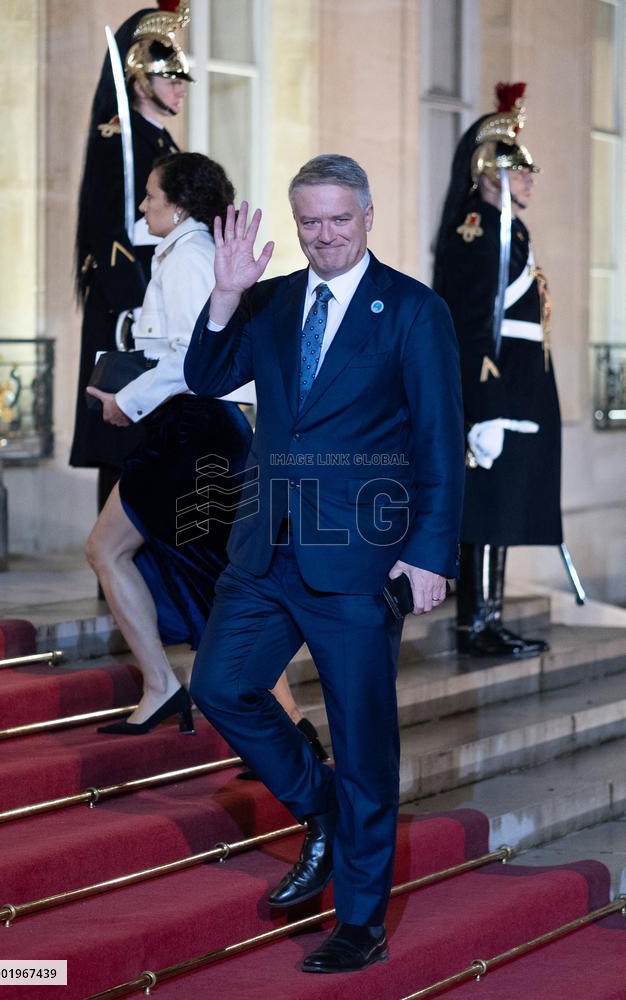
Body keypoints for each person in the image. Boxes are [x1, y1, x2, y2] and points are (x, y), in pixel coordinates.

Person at [185, 155, 464, 973]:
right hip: (264, 545)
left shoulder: (413, 311)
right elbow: (206, 376)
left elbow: (439, 438)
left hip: (360, 554)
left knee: (365, 740)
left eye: (339, 218)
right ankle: (321, 808)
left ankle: (361, 922)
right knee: (220, 686)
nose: (324, 234)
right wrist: (228, 291)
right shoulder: (271, 303)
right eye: (310, 221)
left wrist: (429, 551)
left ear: (369, 215)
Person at [86, 153, 328, 760]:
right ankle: (173, 689)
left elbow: (197, 361)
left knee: (206, 574)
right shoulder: (181, 252)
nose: (143, 207)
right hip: (187, 430)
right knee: (212, 573)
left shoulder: (190, 256)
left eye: (150, 196)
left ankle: (267, 721)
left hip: (193, 432)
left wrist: (127, 400)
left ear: (180, 203)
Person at [433, 82, 562, 659]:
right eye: (521, 169)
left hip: (516, 384)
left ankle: (490, 618)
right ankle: (475, 624)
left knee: (504, 504)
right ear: (490, 173)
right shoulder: (478, 225)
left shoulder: (508, 225)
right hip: (495, 385)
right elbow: (470, 319)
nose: (531, 177)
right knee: (487, 507)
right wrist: (484, 403)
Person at [70, 4, 191, 512]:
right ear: (140, 80)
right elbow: (108, 230)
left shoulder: (159, 138)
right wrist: (136, 299)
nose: (182, 87)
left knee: (149, 434)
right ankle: (110, 568)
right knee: (118, 438)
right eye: (171, 78)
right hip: (127, 300)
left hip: (153, 292)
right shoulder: (117, 137)